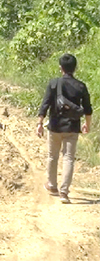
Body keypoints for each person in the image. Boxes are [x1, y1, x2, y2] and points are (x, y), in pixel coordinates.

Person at [37, 53, 93, 204]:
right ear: (75, 68)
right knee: (68, 158)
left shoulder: (54, 83)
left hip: (55, 127)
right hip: (72, 128)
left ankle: (52, 185)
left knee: (52, 156)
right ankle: (64, 192)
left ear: (60, 68)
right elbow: (88, 109)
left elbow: (45, 104)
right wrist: (87, 124)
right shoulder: (81, 86)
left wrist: (40, 123)